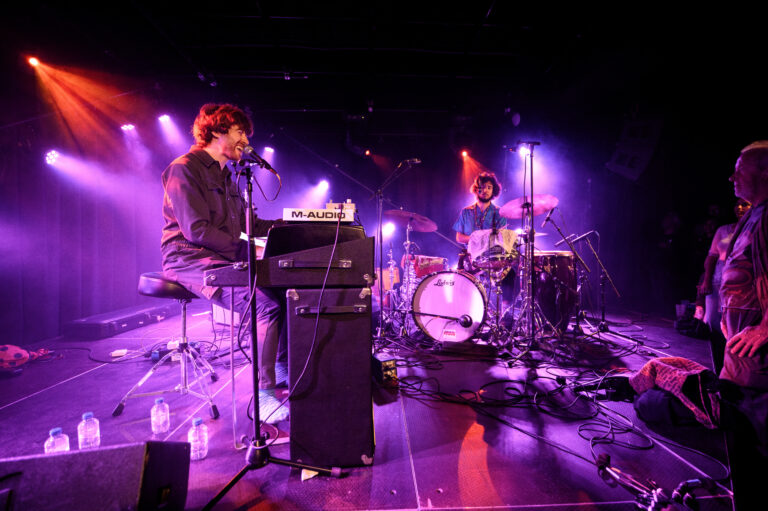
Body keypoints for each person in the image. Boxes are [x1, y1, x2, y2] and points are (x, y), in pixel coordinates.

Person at [160, 103, 282, 391]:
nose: (247, 142)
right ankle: (265, 391)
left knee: (284, 292)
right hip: (187, 258)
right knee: (263, 306)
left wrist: (298, 224)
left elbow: (251, 226)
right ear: (217, 131)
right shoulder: (184, 168)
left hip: (220, 256)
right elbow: (196, 230)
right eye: (240, 132)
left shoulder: (230, 178)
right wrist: (247, 250)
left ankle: (283, 369)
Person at [720, 141, 768, 390]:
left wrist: (764, 328)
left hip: (758, 357)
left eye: (739, 170)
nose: (732, 178)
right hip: (740, 346)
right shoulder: (753, 214)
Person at [453, 171, 507, 244]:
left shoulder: (500, 212)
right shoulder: (465, 212)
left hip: (492, 254)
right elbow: (459, 237)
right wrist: (476, 240)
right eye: (482, 187)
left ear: (493, 190)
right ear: (476, 189)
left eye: (489, 187)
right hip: (470, 254)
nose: (485, 190)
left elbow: (502, 238)